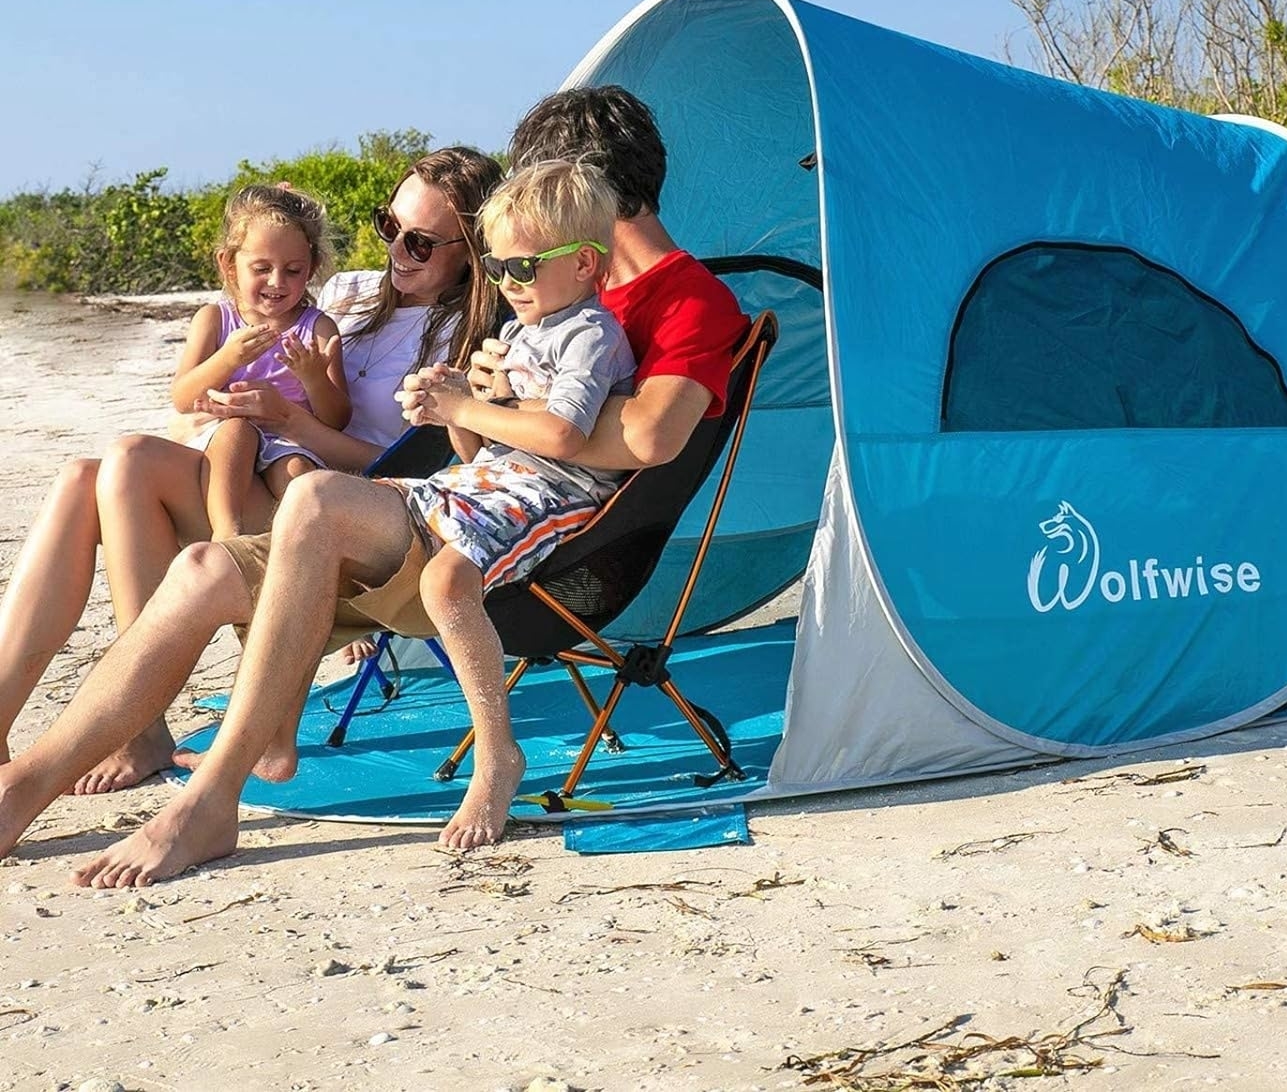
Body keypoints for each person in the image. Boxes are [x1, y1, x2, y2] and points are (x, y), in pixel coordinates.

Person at [0, 85, 746, 885]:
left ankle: (211, 801)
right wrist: (483, 400)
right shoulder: (546, 300)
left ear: (584, 193)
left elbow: (649, 436)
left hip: (527, 551)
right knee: (202, 570)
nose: (511, 265)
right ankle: (23, 788)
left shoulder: (680, 299)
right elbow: (493, 430)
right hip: (455, 500)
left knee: (314, 501)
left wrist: (499, 403)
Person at [0, 145, 504, 794]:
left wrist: (290, 423)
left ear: (469, 249)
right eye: (389, 227)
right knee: (85, 475)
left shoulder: (463, 334)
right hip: (262, 469)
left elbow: (407, 465)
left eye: (422, 243)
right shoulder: (350, 294)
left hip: (347, 505)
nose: (397, 252)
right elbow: (260, 287)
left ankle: (141, 722)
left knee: (127, 464)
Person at [372, 158, 636, 848]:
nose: (506, 283)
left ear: (583, 264)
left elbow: (562, 435)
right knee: (353, 510)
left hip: (560, 494)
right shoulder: (522, 330)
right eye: (496, 268)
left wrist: (468, 403)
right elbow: (474, 451)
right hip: (497, 484)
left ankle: (497, 756)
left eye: (522, 267)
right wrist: (451, 404)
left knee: (446, 579)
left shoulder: (589, 334)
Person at [175, 184, 351, 541]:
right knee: (237, 432)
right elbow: (181, 397)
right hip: (222, 435)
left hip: (287, 439)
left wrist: (315, 379)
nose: (276, 281)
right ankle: (227, 536)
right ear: (228, 264)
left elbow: (337, 421)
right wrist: (228, 358)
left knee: (300, 472)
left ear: (312, 267)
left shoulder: (317, 328)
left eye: (293, 270)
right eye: (261, 268)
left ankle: (302, 548)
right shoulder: (214, 320)